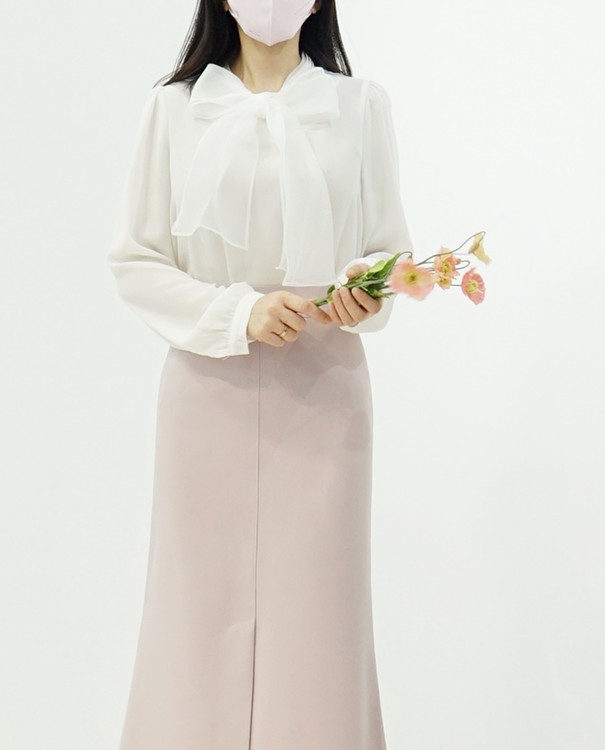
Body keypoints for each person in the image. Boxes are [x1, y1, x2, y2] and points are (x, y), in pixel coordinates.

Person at [106, 1, 414, 748]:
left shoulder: (359, 106)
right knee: (195, 607)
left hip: (324, 388)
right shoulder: (174, 108)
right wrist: (237, 313)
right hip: (206, 387)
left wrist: (361, 291)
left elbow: (389, 251)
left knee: (320, 613)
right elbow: (137, 261)